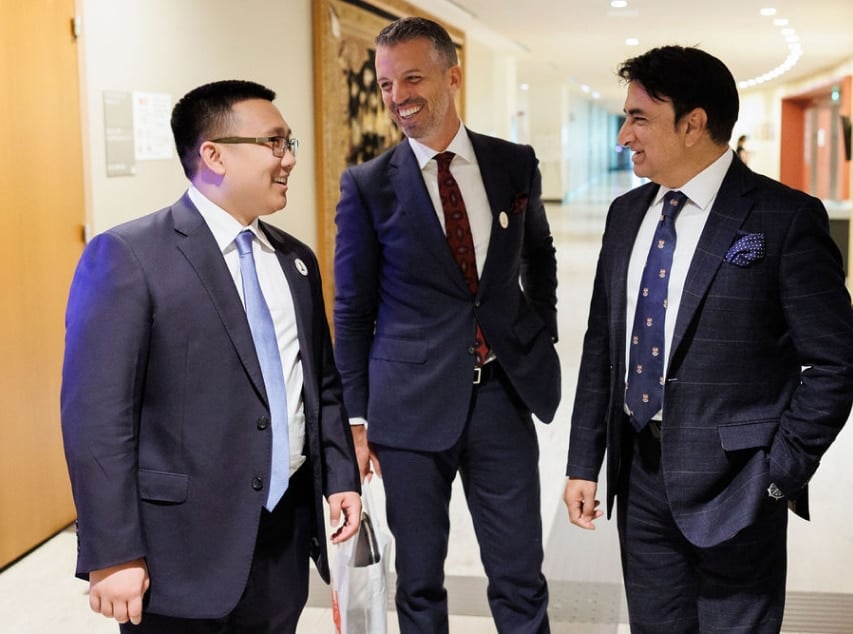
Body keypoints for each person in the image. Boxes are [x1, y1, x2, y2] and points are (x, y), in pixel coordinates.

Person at [563, 45, 853, 633]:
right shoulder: (625, 215)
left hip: (739, 487)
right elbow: (602, 347)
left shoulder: (782, 217)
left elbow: (835, 363)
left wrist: (778, 474)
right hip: (640, 479)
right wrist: (583, 463)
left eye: (639, 118)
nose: (624, 136)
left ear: (693, 124)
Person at [60, 79, 361, 633]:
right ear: (214, 156)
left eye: (288, 142)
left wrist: (340, 476)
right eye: (274, 142)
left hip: (283, 532)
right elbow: (97, 420)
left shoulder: (295, 260)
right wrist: (113, 551)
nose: (289, 158)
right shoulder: (130, 256)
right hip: (179, 548)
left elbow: (319, 383)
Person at [333, 16, 560, 634]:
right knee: (420, 582)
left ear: (452, 77)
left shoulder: (513, 164)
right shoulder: (368, 186)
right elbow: (352, 310)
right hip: (409, 408)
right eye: (385, 84)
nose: (397, 96)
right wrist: (356, 419)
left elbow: (538, 254)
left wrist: (539, 332)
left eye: (412, 78)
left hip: (502, 395)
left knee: (520, 575)